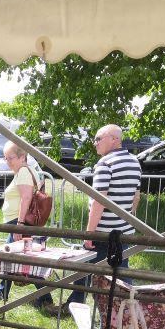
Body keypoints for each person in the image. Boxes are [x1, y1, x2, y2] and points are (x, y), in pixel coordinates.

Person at [64, 124, 142, 311]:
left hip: (104, 232)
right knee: (120, 272)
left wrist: (89, 234)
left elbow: (99, 201)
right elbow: (136, 197)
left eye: (99, 139)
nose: (95, 143)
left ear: (115, 139)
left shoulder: (105, 164)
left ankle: (75, 305)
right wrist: (126, 220)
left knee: (85, 267)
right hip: (123, 230)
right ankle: (129, 310)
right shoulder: (134, 161)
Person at [0, 140, 55, 311]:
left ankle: (45, 298)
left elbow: (26, 198)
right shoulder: (24, 171)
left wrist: (19, 225)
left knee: (22, 262)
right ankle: (5, 292)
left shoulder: (24, 172)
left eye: (10, 158)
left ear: (22, 157)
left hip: (18, 223)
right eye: (5, 158)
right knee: (16, 260)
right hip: (18, 222)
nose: (8, 162)